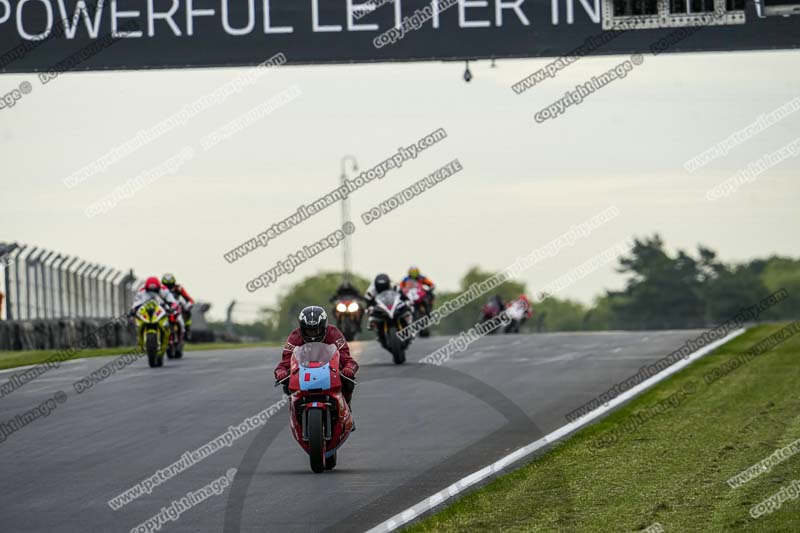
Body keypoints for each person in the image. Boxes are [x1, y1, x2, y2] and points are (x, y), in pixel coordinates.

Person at [273, 305, 358, 412]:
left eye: (316, 330)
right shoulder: (295, 336)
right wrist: (281, 372)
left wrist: (349, 369)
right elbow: (284, 362)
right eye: (309, 331)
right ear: (302, 328)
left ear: (324, 327)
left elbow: (347, 358)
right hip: (303, 372)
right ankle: (295, 409)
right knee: (286, 383)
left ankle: (346, 406)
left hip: (330, 370)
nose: (313, 334)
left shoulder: (334, 333)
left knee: (348, 382)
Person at [161, 273, 195, 338]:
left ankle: (187, 329)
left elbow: (188, 298)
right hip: (164, 306)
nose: (168, 287)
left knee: (187, 312)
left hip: (177, 306)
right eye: (166, 285)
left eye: (170, 285)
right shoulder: (160, 289)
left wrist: (189, 304)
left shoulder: (178, 288)